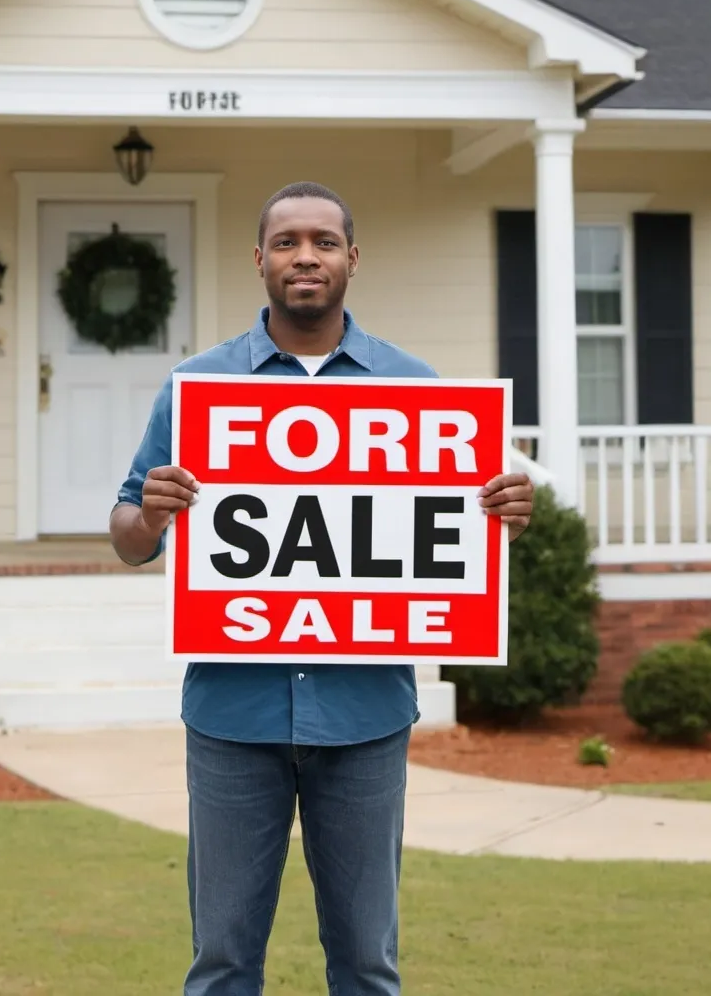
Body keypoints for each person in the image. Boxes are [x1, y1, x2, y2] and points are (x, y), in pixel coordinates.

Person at [109, 181, 534, 996]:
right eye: (288, 241)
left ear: (352, 259)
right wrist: (151, 516)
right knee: (224, 963)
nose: (306, 255)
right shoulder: (201, 390)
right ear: (260, 259)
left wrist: (510, 511)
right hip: (234, 717)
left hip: (366, 717)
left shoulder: (419, 391)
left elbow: (463, 528)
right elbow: (129, 536)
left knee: (368, 966)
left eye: (325, 242)